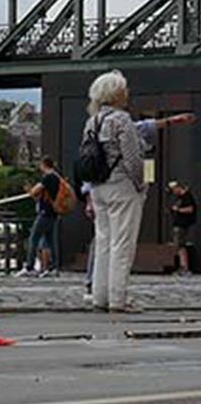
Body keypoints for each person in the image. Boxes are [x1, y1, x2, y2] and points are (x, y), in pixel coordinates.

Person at [82, 70, 147, 313]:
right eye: (124, 89)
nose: (127, 93)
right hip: (122, 186)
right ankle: (119, 298)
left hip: (98, 187)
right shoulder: (122, 120)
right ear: (117, 93)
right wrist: (140, 185)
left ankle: (100, 296)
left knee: (104, 243)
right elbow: (132, 158)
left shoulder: (93, 120)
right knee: (123, 244)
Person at [16, 157, 63, 278]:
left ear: (44, 165)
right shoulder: (58, 177)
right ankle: (53, 267)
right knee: (50, 241)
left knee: (33, 238)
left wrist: (30, 190)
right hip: (54, 212)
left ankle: (29, 267)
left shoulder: (48, 177)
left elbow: (35, 191)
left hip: (45, 213)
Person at [169, 180, 195, 276]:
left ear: (178, 187)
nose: (174, 192)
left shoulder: (186, 197)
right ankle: (182, 266)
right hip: (178, 224)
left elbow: (190, 209)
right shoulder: (179, 198)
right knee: (179, 246)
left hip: (182, 225)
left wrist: (178, 209)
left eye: (174, 190)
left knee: (181, 246)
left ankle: (185, 267)